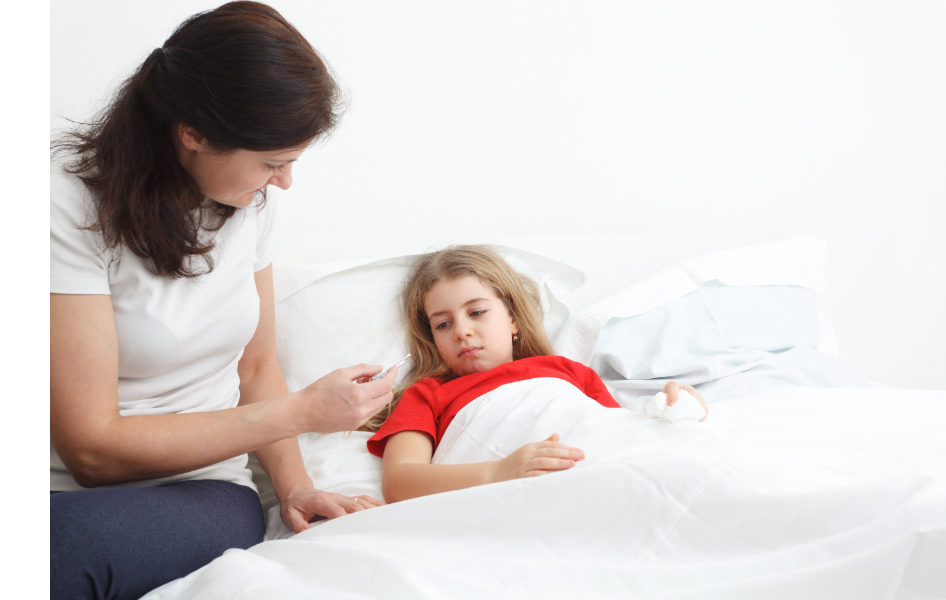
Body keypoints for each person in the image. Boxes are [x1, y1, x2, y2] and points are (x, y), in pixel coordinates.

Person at [49, 3, 398, 598]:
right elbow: (93, 454)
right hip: (62, 486)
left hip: (200, 488)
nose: (285, 182)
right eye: (274, 162)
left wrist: (293, 486)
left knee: (60, 554)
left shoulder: (249, 206)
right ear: (193, 134)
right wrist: (303, 411)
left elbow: (256, 365)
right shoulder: (67, 204)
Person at [360, 245, 708, 503]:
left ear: (512, 318)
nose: (462, 331)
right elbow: (401, 483)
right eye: (444, 324)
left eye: (477, 312)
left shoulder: (566, 371)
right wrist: (499, 472)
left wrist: (674, 408)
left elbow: (614, 433)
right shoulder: (428, 393)